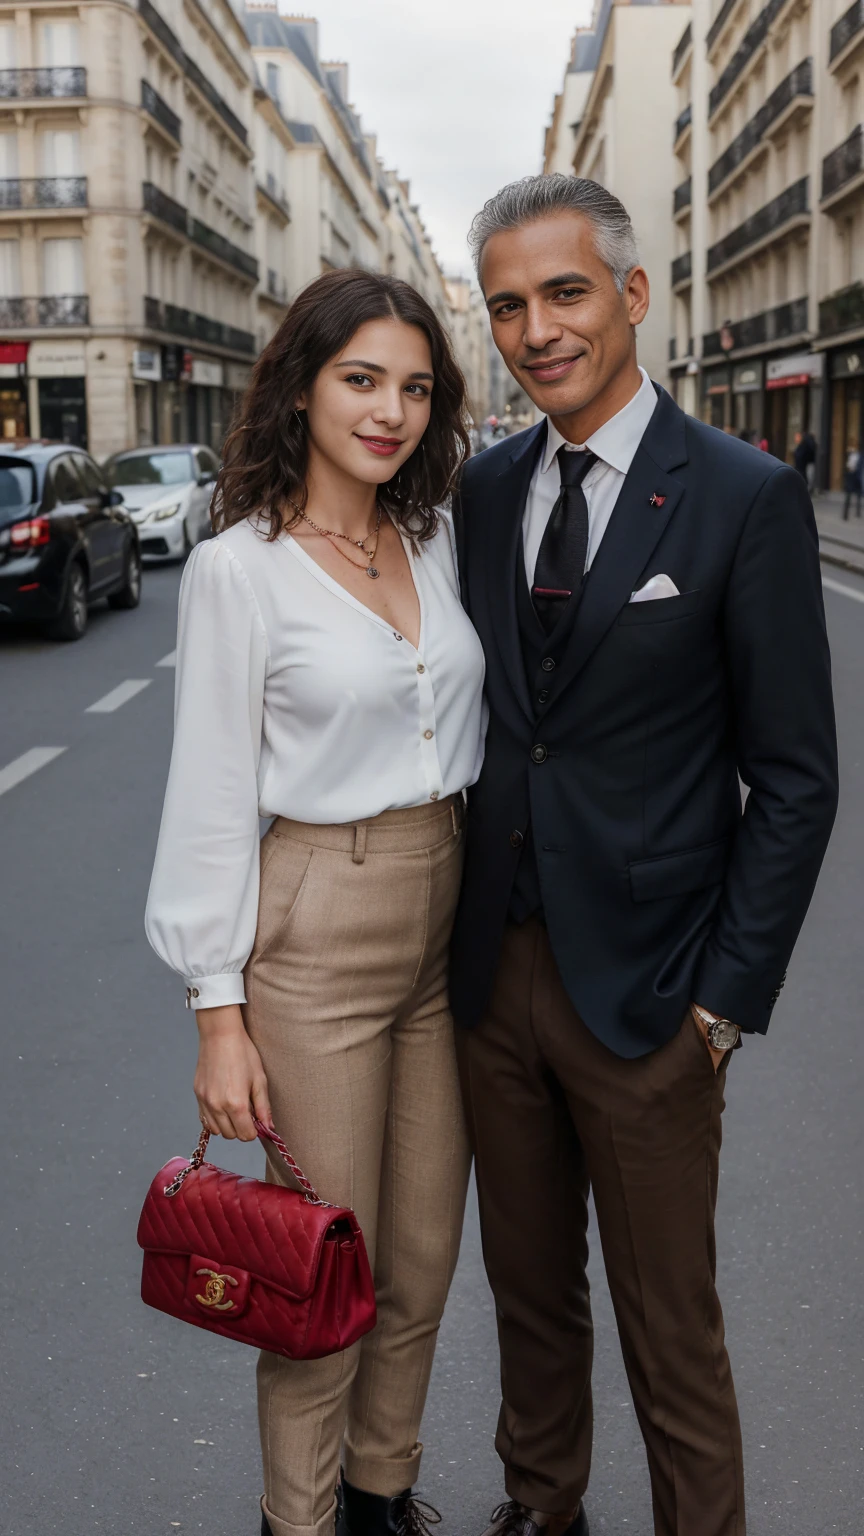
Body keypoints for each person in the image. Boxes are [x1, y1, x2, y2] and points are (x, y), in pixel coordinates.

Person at [451, 174, 838, 1536]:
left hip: (656, 1001)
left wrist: (724, 1007)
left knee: (672, 1333)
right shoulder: (484, 492)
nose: (535, 328)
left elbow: (795, 778)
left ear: (631, 293)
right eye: (507, 304)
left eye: (562, 293)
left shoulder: (744, 495)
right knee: (527, 1304)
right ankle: (539, 1511)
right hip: (494, 983)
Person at [145, 268, 486, 1536]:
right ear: (300, 386)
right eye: (361, 379)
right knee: (319, 1276)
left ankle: (380, 1492)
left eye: (413, 386)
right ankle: (302, 1521)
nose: (390, 409)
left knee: (420, 1261)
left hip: (442, 915)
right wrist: (215, 1011)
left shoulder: (435, 535)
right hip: (316, 930)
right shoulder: (243, 569)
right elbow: (211, 792)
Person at [842, 441, 862, 519]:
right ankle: (845, 515)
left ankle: (857, 512)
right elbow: (848, 466)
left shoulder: (859, 456)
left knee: (858, 495)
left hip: (856, 477)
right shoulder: (850, 455)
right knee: (848, 495)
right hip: (851, 477)